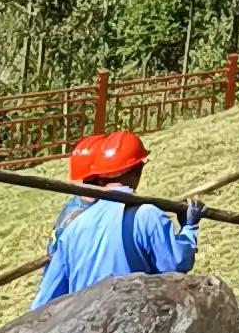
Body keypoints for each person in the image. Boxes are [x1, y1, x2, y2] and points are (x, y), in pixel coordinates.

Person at [32, 130, 200, 306]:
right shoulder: (147, 216)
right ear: (138, 170)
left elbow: (47, 297)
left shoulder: (73, 227)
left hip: (85, 327)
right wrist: (189, 228)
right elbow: (175, 264)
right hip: (132, 323)